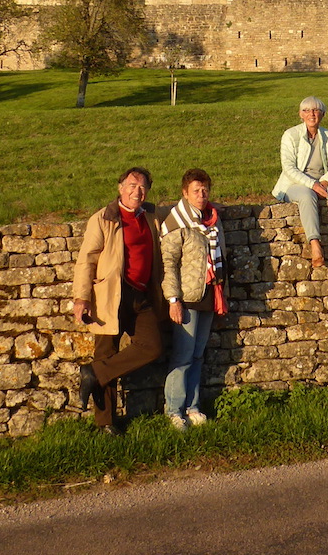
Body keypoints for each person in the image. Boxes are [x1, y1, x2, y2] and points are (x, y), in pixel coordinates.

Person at [72, 166, 167, 431]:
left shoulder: (151, 214)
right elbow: (86, 260)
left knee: (153, 347)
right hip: (110, 296)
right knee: (106, 352)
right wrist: (81, 298)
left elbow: (182, 210)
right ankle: (106, 424)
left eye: (143, 186)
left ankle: (94, 374)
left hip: (141, 294)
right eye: (132, 185)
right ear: (120, 188)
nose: (138, 191)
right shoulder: (103, 218)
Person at [159, 167, 229, 429]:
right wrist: (173, 300)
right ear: (185, 193)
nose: (202, 195)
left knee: (198, 355)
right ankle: (174, 410)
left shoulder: (212, 219)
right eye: (196, 190)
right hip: (187, 298)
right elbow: (169, 264)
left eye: (205, 190)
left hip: (210, 294)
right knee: (183, 355)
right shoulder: (176, 224)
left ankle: (193, 406)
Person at [272, 96, 328, 268]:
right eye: (306, 111)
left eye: (316, 110)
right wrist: (312, 184)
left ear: (323, 114)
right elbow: (289, 168)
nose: (312, 114)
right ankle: (315, 245)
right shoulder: (290, 135)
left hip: (323, 180)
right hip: (294, 183)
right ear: (300, 115)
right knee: (306, 195)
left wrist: (325, 181)